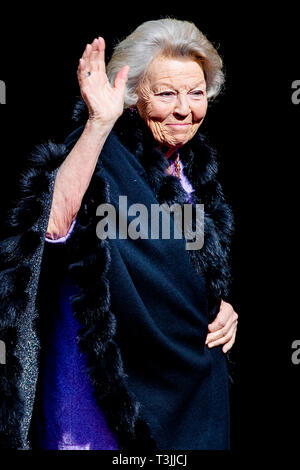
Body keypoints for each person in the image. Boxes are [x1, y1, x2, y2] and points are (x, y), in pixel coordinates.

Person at [0, 18, 238, 450]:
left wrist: (219, 307)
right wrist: (97, 125)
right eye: (166, 93)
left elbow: (177, 272)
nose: (184, 109)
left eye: (196, 92)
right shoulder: (99, 151)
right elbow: (50, 226)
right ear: (132, 99)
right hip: (100, 403)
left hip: (187, 396)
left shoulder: (195, 171)